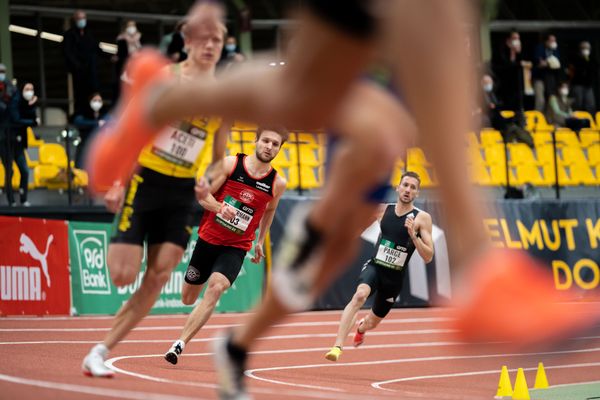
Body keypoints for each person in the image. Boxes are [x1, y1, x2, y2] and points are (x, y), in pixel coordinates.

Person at [85, 1, 598, 397]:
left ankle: (235, 345)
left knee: (329, 236)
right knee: (327, 86)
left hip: (381, 102)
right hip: (378, 73)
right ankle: (484, 269)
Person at [81, 1, 230, 378]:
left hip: (182, 193)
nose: (210, 45)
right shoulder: (163, 79)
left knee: (160, 274)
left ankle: (99, 351)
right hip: (146, 179)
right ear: (187, 40)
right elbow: (128, 129)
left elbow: (218, 160)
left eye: (217, 39)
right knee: (120, 274)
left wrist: (207, 180)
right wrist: (117, 180)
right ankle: (106, 334)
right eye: (203, 38)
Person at [164, 127, 287, 365]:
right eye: (266, 141)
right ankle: (189, 312)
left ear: (279, 148)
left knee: (216, 286)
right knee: (188, 298)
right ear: (256, 140)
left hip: (237, 246)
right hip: (208, 239)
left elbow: (269, 211)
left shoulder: (277, 183)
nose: (269, 147)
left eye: (275, 144)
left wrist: (260, 241)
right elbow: (202, 196)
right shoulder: (232, 164)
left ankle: (179, 344)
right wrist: (221, 208)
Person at [325, 171, 433, 362]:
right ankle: (337, 346)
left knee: (372, 322)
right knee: (359, 296)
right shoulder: (382, 210)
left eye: (412, 187)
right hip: (375, 267)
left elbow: (428, 256)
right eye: (405, 185)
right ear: (398, 187)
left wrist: (413, 235)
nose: (408, 190)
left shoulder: (422, 218)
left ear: (417, 193)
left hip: (394, 278)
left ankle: (360, 329)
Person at [62, 10, 102, 116]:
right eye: (79, 18)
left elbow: (97, 48)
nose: (82, 20)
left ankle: (92, 113)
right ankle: (80, 114)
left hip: (91, 70)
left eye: (83, 18)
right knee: (80, 95)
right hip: (79, 71)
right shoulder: (70, 35)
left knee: (93, 92)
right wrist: (77, 66)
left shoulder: (90, 34)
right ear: (74, 20)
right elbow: (67, 52)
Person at [8, 82, 39, 206]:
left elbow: (33, 121)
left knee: (25, 171)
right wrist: (31, 120)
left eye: (32, 89)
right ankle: (11, 200)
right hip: (8, 140)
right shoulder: (15, 101)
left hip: (19, 143)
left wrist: (31, 106)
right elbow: (17, 119)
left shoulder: (29, 104)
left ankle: (23, 198)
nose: (29, 91)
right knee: (9, 172)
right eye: (27, 89)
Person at [73, 92, 108, 168]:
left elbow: (113, 121)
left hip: (99, 146)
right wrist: (96, 123)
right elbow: (78, 122)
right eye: (95, 100)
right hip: (86, 145)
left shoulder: (104, 114)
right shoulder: (84, 112)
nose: (97, 103)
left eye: (99, 101)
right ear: (90, 101)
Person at [113, 20, 142, 104]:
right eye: (129, 26)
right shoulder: (121, 39)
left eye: (133, 26)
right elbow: (120, 54)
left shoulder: (140, 37)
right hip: (125, 67)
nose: (131, 28)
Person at [0, 62, 17, 206]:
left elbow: (13, 108)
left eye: (3, 71)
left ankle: (10, 197)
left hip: (6, 135)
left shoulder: (10, 88)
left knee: (9, 168)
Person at [569, 41, 597, 114]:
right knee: (578, 103)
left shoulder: (591, 58)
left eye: (587, 48)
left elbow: (593, 69)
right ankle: (577, 120)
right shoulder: (575, 58)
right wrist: (583, 59)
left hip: (588, 85)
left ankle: (590, 121)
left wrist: (587, 59)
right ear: (580, 49)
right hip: (577, 84)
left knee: (590, 104)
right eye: (584, 48)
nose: (586, 50)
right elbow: (574, 70)